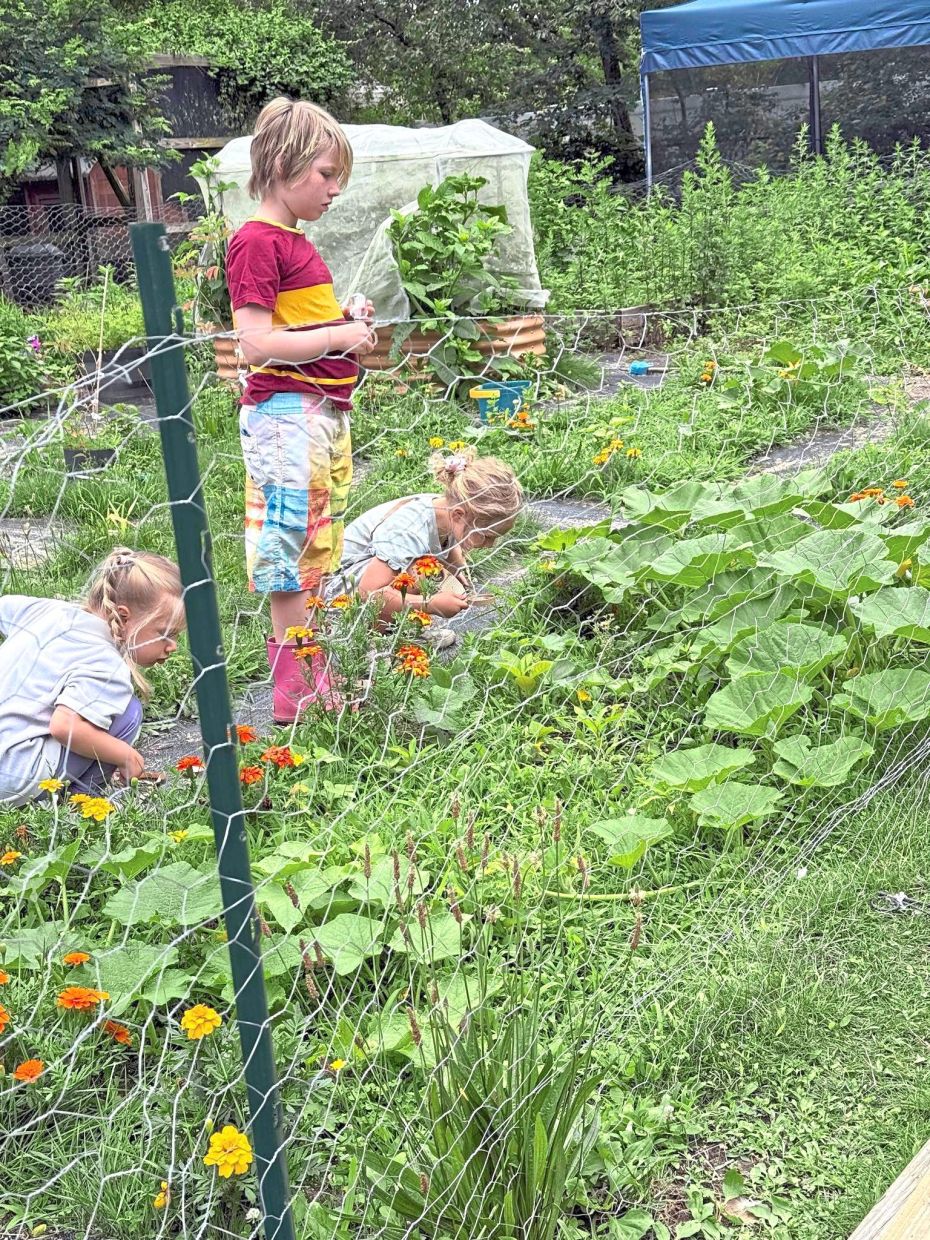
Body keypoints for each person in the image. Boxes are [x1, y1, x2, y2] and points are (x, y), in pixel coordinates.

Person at [225, 97, 376, 722]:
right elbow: (255, 342)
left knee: (315, 545)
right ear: (284, 167)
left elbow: (294, 328)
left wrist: (343, 319)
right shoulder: (257, 243)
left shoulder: (291, 241)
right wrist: (338, 338)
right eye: (325, 173)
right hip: (286, 418)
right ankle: (297, 693)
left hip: (316, 416)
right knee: (290, 549)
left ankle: (312, 676)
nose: (334, 188)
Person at [0, 549, 185, 807]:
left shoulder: (48, 611)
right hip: (14, 778)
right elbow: (64, 726)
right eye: (166, 633)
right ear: (123, 617)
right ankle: (79, 804)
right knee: (128, 714)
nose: (173, 645)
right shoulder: (107, 664)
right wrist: (127, 756)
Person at [328, 448, 523, 636]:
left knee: (430, 569)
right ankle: (374, 640)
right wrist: (431, 603)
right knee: (422, 570)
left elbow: (446, 541)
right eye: (487, 535)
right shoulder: (408, 530)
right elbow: (369, 594)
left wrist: (456, 566)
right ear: (458, 515)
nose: (490, 544)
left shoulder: (449, 510)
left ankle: (400, 628)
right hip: (340, 595)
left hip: (365, 580)